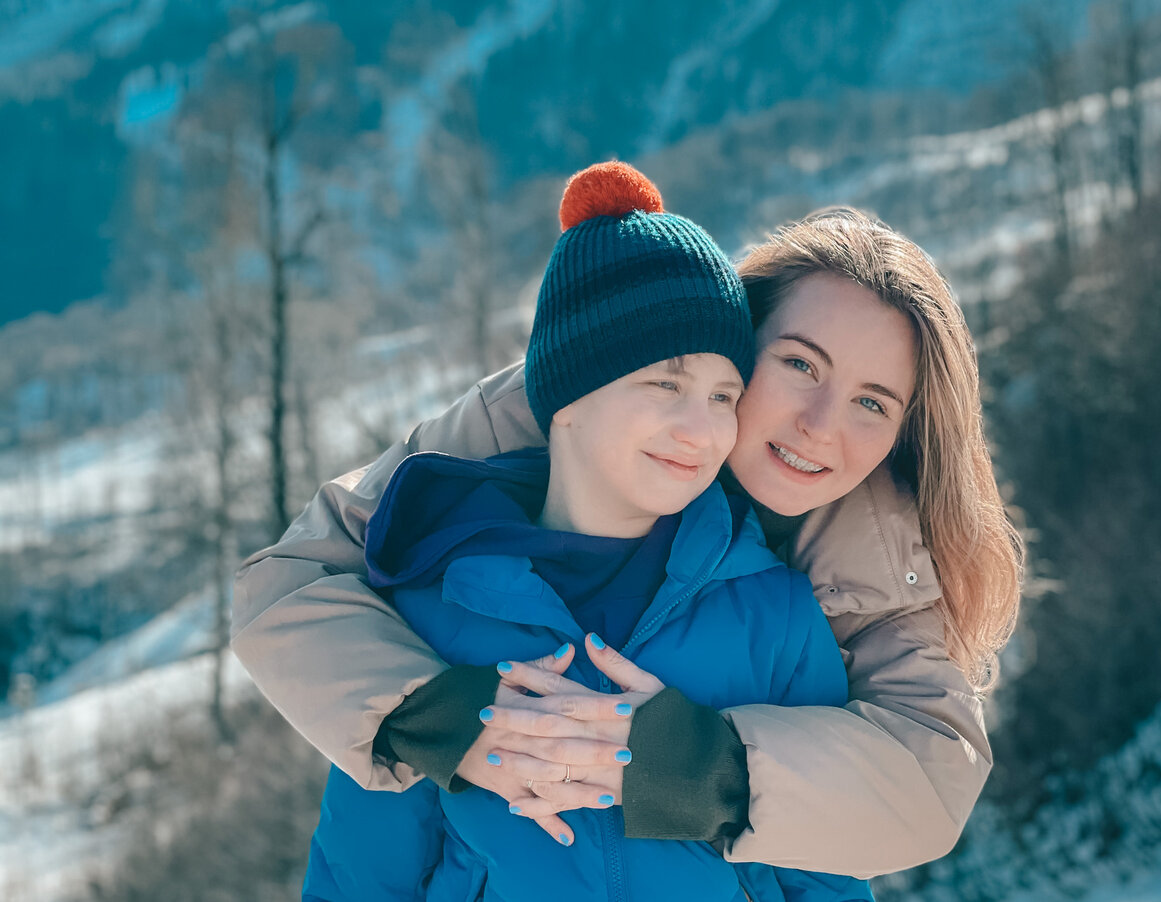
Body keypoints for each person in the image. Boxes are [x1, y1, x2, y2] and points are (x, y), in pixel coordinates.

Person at [231, 178, 1022, 878]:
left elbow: (929, 778)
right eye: (800, 365)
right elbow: (290, 585)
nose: (821, 426)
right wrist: (451, 724)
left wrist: (695, 765)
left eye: (873, 402)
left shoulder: (854, 564)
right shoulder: (555, 400)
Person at [302, 160, 872, 901]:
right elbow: (361, 879)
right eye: (665, 384)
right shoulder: (433, 613)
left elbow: (825, 874)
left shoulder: (778, 619)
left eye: (724, 395)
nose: (702, 429)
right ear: (570, 394)